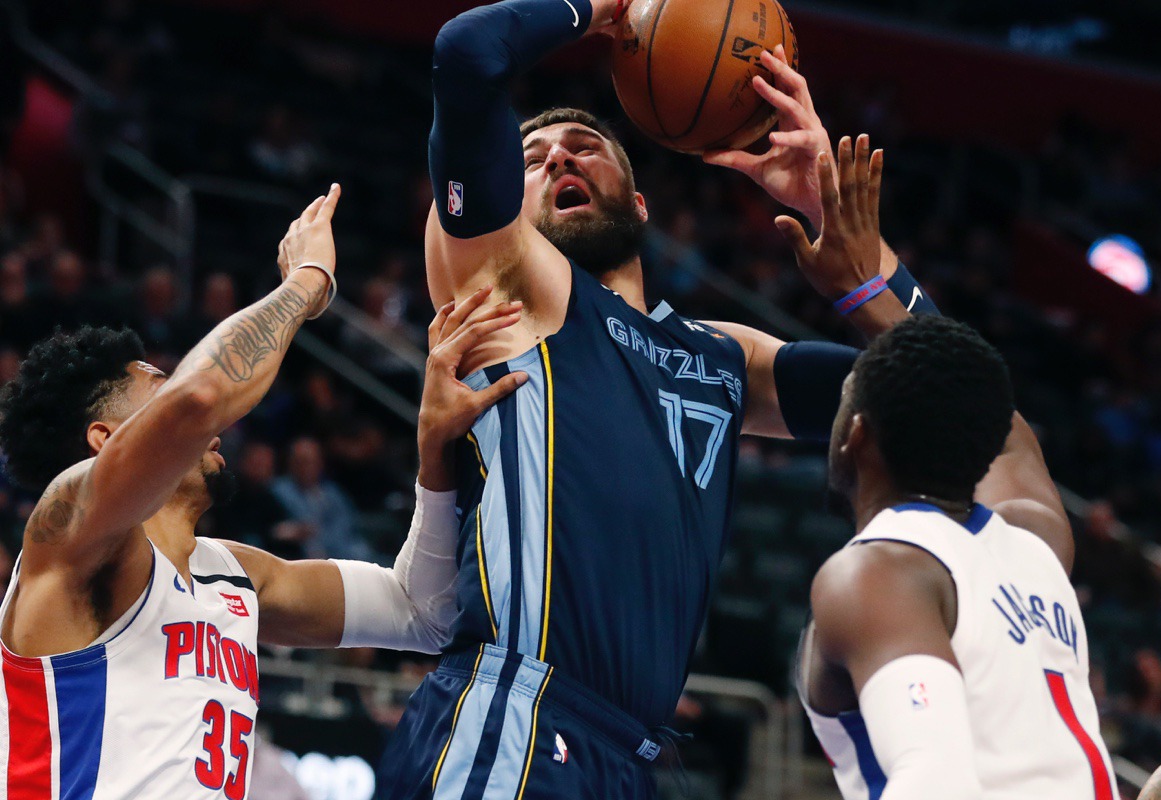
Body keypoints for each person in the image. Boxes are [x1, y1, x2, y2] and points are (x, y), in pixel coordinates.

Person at [379, 0, 937, 795]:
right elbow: (467, 56)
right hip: (518, 715)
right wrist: (595, 9)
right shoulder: (511, 282)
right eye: (533, 157)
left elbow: (953, 399)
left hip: (632, 754)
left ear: (640, 206)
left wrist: (835, 220)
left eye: (586, 148)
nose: (560, 162)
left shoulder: (723, 355)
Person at [0, 184, 526, 798]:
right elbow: (199, 400)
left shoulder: (235, 575)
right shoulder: (68, 531)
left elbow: (422, 612)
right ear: (104, 438)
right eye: (158, 388)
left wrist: (433, 450)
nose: (208, 415)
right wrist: (305, 283)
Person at [795, 309, 1119, 796]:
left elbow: (933, 779)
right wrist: (865, 293)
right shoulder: (1037, 541)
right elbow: (1003, 428)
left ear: (856, 435)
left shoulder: (875, 573)